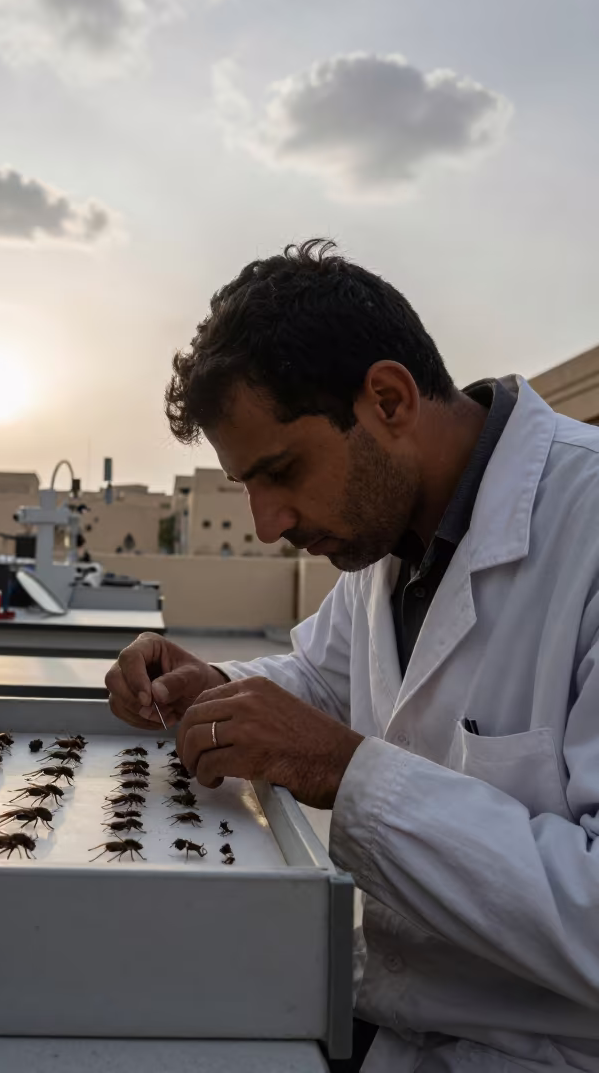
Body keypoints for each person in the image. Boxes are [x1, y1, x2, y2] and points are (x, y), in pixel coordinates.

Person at [107, 240, 599, 1072]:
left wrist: (348, 774)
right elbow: (320, 681)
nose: (267, 524)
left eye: (282, 471)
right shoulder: (389, 541)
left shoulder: (582, 529)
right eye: (246, 488)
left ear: (389, 398)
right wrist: (216, 687)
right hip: (389, 1017)